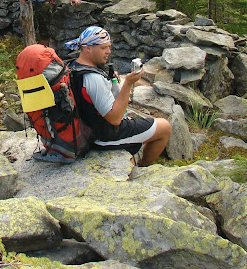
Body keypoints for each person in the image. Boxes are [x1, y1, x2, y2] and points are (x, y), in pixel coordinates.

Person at [66, 26, 171, 166]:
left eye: (109, 47)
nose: (108, 51)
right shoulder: (93, 78)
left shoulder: (74, 66)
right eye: (104, 48)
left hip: (87, 129)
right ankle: (144, 167)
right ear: (88, 48)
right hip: (104, 136)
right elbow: (115, 119)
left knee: (143, 122)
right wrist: (128, 83)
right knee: (165, 127)